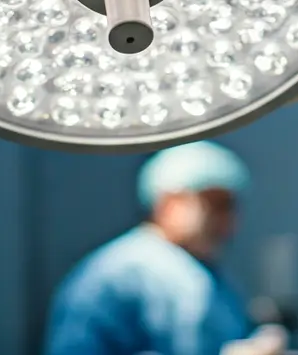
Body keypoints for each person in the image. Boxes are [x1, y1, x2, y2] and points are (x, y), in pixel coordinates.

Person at [43, 141, 285, 355]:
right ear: (170, 203)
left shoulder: (209, 277)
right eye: (216, 206)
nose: (228, 221)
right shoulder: (117, 276)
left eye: (231, 208)